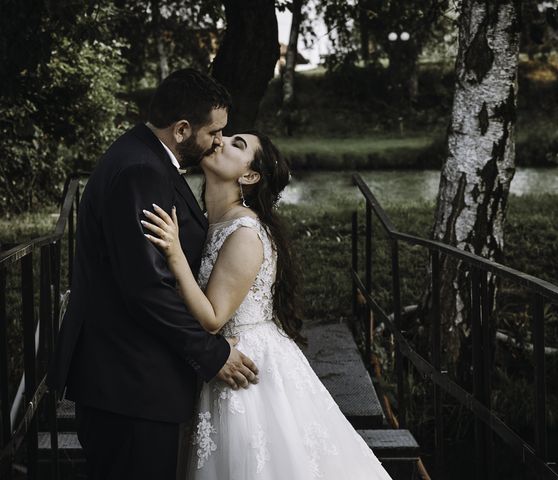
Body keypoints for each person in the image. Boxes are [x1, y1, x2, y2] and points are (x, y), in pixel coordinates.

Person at [47, 69, 259, 480]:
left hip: (133, 384)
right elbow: (147, 287)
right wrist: (211, 355)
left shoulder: (142, 155)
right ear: (182, 129)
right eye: (215, 132)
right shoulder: (141, 171)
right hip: (129, 386)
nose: (218, 141)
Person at [143, 131, 393, 479]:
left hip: (245, 366)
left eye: (237, 143)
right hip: (214, 361)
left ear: (249, 175)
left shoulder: (245, 232)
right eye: (224, 135)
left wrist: (174, 254)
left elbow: (214, 318)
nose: (221, 140)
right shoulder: (207, 219)